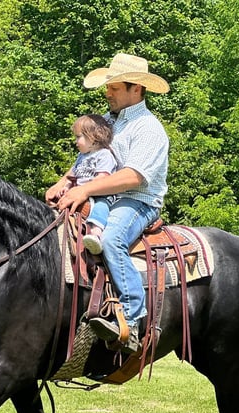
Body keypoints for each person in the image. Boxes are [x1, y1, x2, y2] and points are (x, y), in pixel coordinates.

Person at [46, 53, 170, 354]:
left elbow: (134, 176)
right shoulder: (108, 123)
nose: (108, 92)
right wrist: (64, 182)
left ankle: (132, 319)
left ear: (136, 89)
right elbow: (88, 157)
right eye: (108, 86)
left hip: (136, 201)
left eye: (115, 87)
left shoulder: (148, 128)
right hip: (103, 197)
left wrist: (85, 190)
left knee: (112, 240)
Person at [60, 114, 118, 255]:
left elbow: (102, 178)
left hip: (99, 194)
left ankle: (96, 233)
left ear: (92, 138)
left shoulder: (104, 155)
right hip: (80, 194)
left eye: (78, 137)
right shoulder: (82, 157)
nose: (75, 141)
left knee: (101, 207)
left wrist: (84, 189)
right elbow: (73, 176)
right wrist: (66, 187)